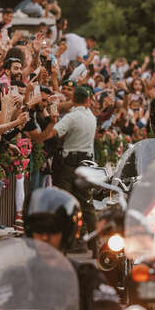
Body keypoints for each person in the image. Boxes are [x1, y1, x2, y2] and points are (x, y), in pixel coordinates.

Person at [23, 187, 121, 310]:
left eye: (52, 230)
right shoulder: (17, 276)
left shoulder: (86, 277)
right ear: (30, 232)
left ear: (67, 232)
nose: (45, 237)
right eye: (39, 230)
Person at [40, 85, 98, 242]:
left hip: (70, 164)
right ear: (87, 100)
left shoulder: (72, 117)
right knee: (87, 204)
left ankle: (67, 241)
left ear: (73, 99)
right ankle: (94, 242)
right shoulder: (92, 117)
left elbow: (53, 133)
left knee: (65, 201)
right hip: (86, 162)